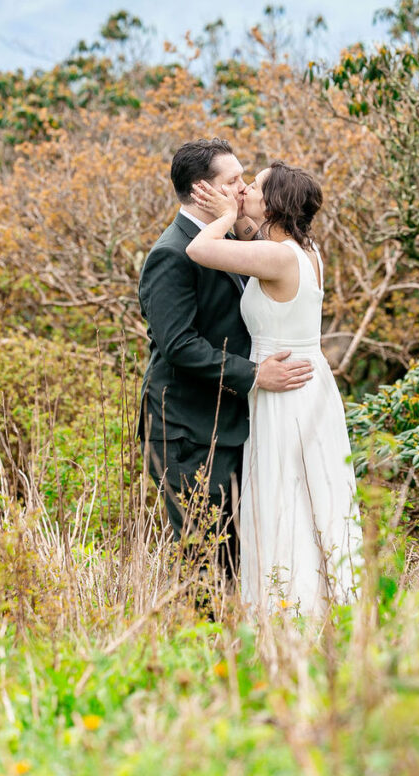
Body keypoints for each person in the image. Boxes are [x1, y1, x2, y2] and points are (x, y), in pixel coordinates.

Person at [187, 161, 362, 615]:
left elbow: (199, 250)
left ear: (276, 202)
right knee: (306, 494)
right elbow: (255, 240)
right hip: (304, 381)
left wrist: (224, 216)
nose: (244, 189)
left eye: (255, 187)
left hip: (286, 389)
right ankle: (318, 604)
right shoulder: (302, 249)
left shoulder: (279, 257)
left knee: (286, 495)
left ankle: (293, 610)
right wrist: (241, 215)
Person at [137, 139, 314, 581]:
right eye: (232, 181)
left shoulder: (233, 237)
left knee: (239, 554)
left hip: (230, 425)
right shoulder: (171, 253)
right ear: (202, 190)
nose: (242, 188)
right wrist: (254, 375)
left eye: (242, 179)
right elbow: (178, 345)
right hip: (187, 431)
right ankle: (207, 647)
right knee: (206, 560)